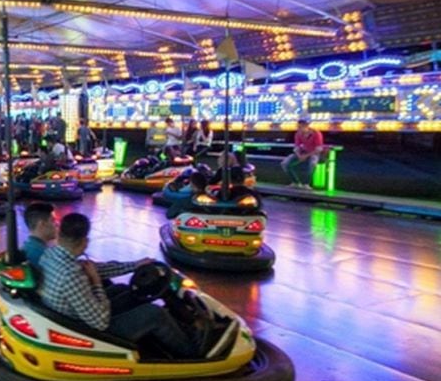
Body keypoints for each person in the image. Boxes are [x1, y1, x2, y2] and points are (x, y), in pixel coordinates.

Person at [40, 213, 233, 359]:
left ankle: (179, 332)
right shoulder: (72, 274)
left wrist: (135, 265)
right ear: (84, 242)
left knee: (126, 291)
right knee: (154, 313)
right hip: (90, 332)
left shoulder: (53, 255)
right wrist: (97, 284)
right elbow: (100, 322)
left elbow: (98, 269)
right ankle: (194, 352)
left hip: (75, 316)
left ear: (61, 233)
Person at [281, 119, 324, 189]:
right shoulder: (298, 134)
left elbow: (318, 149)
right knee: (285, 163)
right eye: (298, 127)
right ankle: (295, 182)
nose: (299, 129)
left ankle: (306, 184)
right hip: (303, 152)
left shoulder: (316, 133)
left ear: (306, 126)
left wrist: (306, 156)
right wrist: (299, 155)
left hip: (313, 153)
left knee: (312, 163)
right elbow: (297, 147)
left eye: (300, 127)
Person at [21, 202, 57, 268]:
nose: (57, 224)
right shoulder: (45, 256)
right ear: (42, 224)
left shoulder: (25, 248)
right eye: (53, 221)